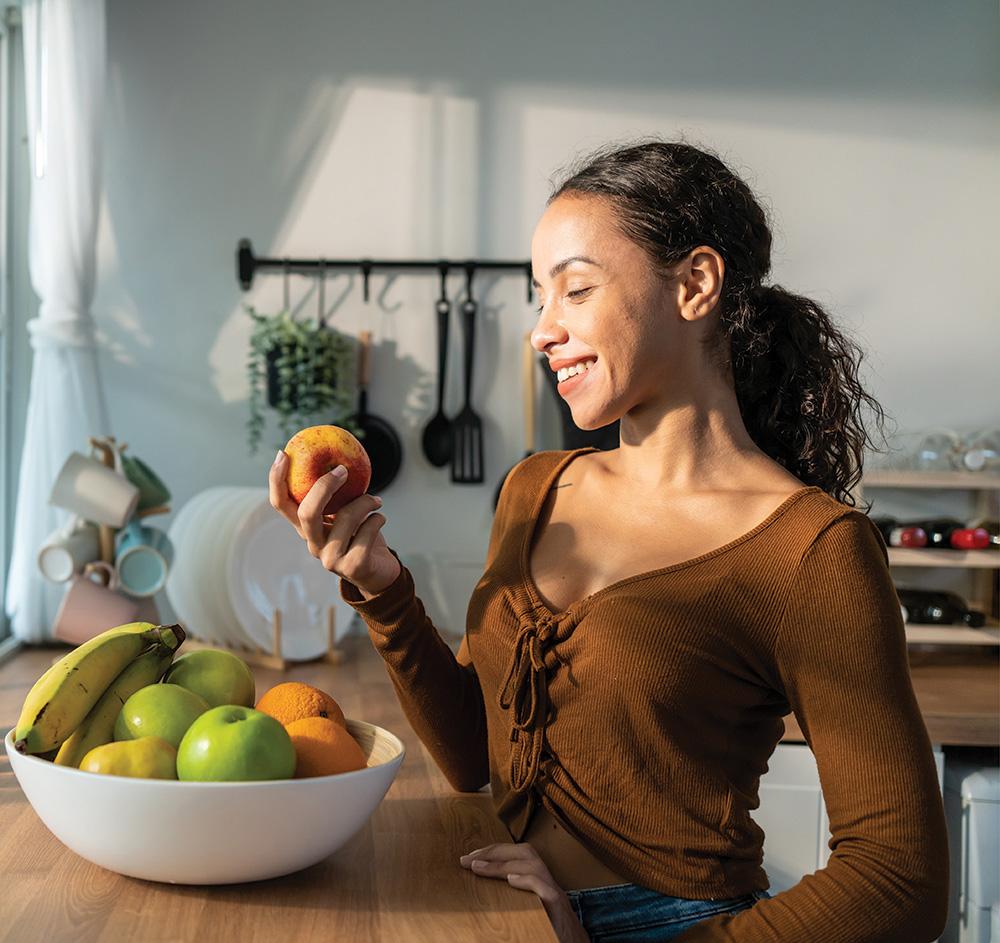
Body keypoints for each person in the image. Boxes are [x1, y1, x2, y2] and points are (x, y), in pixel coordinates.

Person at [268, 138, 949, 942]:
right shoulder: (535, 487)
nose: (542, 331)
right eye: (538, 297)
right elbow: (473, 759)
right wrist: (382, 587)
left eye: (576, 290)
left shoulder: (812, 549)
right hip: (505, 906)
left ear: (694, 284)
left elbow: (900, 876)